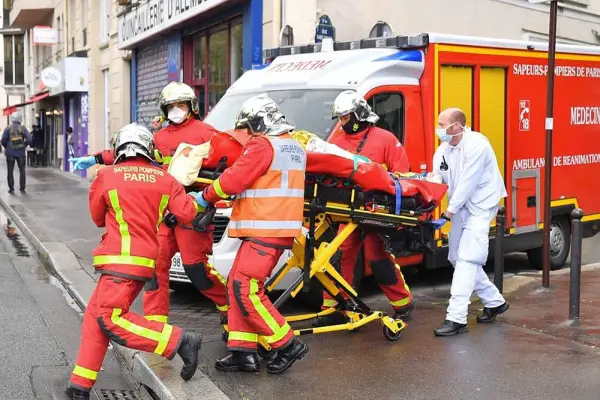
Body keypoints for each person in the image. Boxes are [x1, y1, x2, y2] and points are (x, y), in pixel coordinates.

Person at [69, 82, 228, 325]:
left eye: (180, 105)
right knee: (155, 268)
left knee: (196, 270)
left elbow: (223, 171)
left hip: (191, 211)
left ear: (191, 107)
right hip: (164, 212)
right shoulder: (160, 137)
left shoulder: (207, 133)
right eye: (171, 106)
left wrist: (204, 199)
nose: (176, 110)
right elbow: (135, 151)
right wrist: (96, 158)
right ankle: (156, 326)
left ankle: (230, 307)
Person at [65, 123, 203, 400]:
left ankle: (180, 341)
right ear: (148, 149)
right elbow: (187, 213)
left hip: (117, 260)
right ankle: (80, 385)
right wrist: (199, 198)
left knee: (110, 318)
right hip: (143, 260)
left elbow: (96, 218)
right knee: (95, 318)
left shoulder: (106, 176)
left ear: (120, 150)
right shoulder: (165, 179)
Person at [200, 95, 309, 374]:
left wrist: (206, 196)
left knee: (244, 288)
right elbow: (263, 184)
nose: (247, 134)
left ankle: (286, 344)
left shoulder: (263, 144)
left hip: (265, 227)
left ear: (260, 122)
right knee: (237, 287)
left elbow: (236, 177)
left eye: (249, 127)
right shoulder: (294, 146)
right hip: (275, 227)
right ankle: (243, 351)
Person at [313, 90, 414, 327]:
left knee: (377, 256)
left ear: (358, 114)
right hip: (346, 210)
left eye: (345, 118)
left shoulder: (385, 139)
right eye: (339, 118)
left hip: (375, 210)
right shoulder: (335, 143)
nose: (341, 123)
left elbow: (402, 175)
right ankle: (334, 306)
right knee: (340, 256)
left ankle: (402, 303)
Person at [431, 108, 509, 337]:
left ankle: (456, 318)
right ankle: (494, 301)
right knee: (456, 257)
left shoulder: (477, 145)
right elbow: (438, 176)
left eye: (441, 123)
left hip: (480, 207)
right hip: (461, 208)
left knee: (466, 258)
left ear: (455, 126)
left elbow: (468, 183)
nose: (438, 128)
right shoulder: (443, 150)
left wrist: (448, 212)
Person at [1, 111, 31, 194]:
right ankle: (22, 188)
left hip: (10, 152)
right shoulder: (23, 128)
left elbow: (3, 140)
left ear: (12, 119)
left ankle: (11, 188)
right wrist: (24, 145)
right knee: (22, 170)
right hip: (21, 152)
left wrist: (7, 147)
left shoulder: (8, 128)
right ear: (20, 119)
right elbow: (29, 139)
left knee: (10, 171)